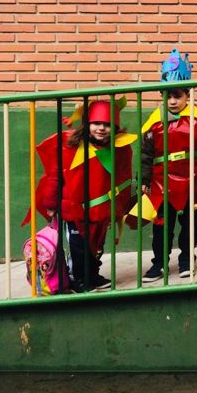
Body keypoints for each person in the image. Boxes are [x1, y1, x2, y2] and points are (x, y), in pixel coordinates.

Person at [28, 99, 137, 292]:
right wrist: (51, 204)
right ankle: (78, 277)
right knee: (79, 247)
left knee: (96, 245)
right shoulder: (69, 148)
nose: (102, 128)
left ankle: (92, 275)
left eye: (107, 124)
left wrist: (120, 207)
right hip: (74, 210)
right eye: (96, 123)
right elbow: (55, 176)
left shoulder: (118, 149)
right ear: (87, 124)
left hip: (101, 209)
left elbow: (122, 178)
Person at [141, 49, 197, 281]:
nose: (172, 101)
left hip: (192, 181)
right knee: (161, 226)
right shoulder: (155, 121)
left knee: (189, 226)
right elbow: (146, 154)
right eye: (168, 96)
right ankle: (159, 263)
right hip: (162, 183)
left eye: (177, 96)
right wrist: (144, 181)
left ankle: (186, 259)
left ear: (187, 95)